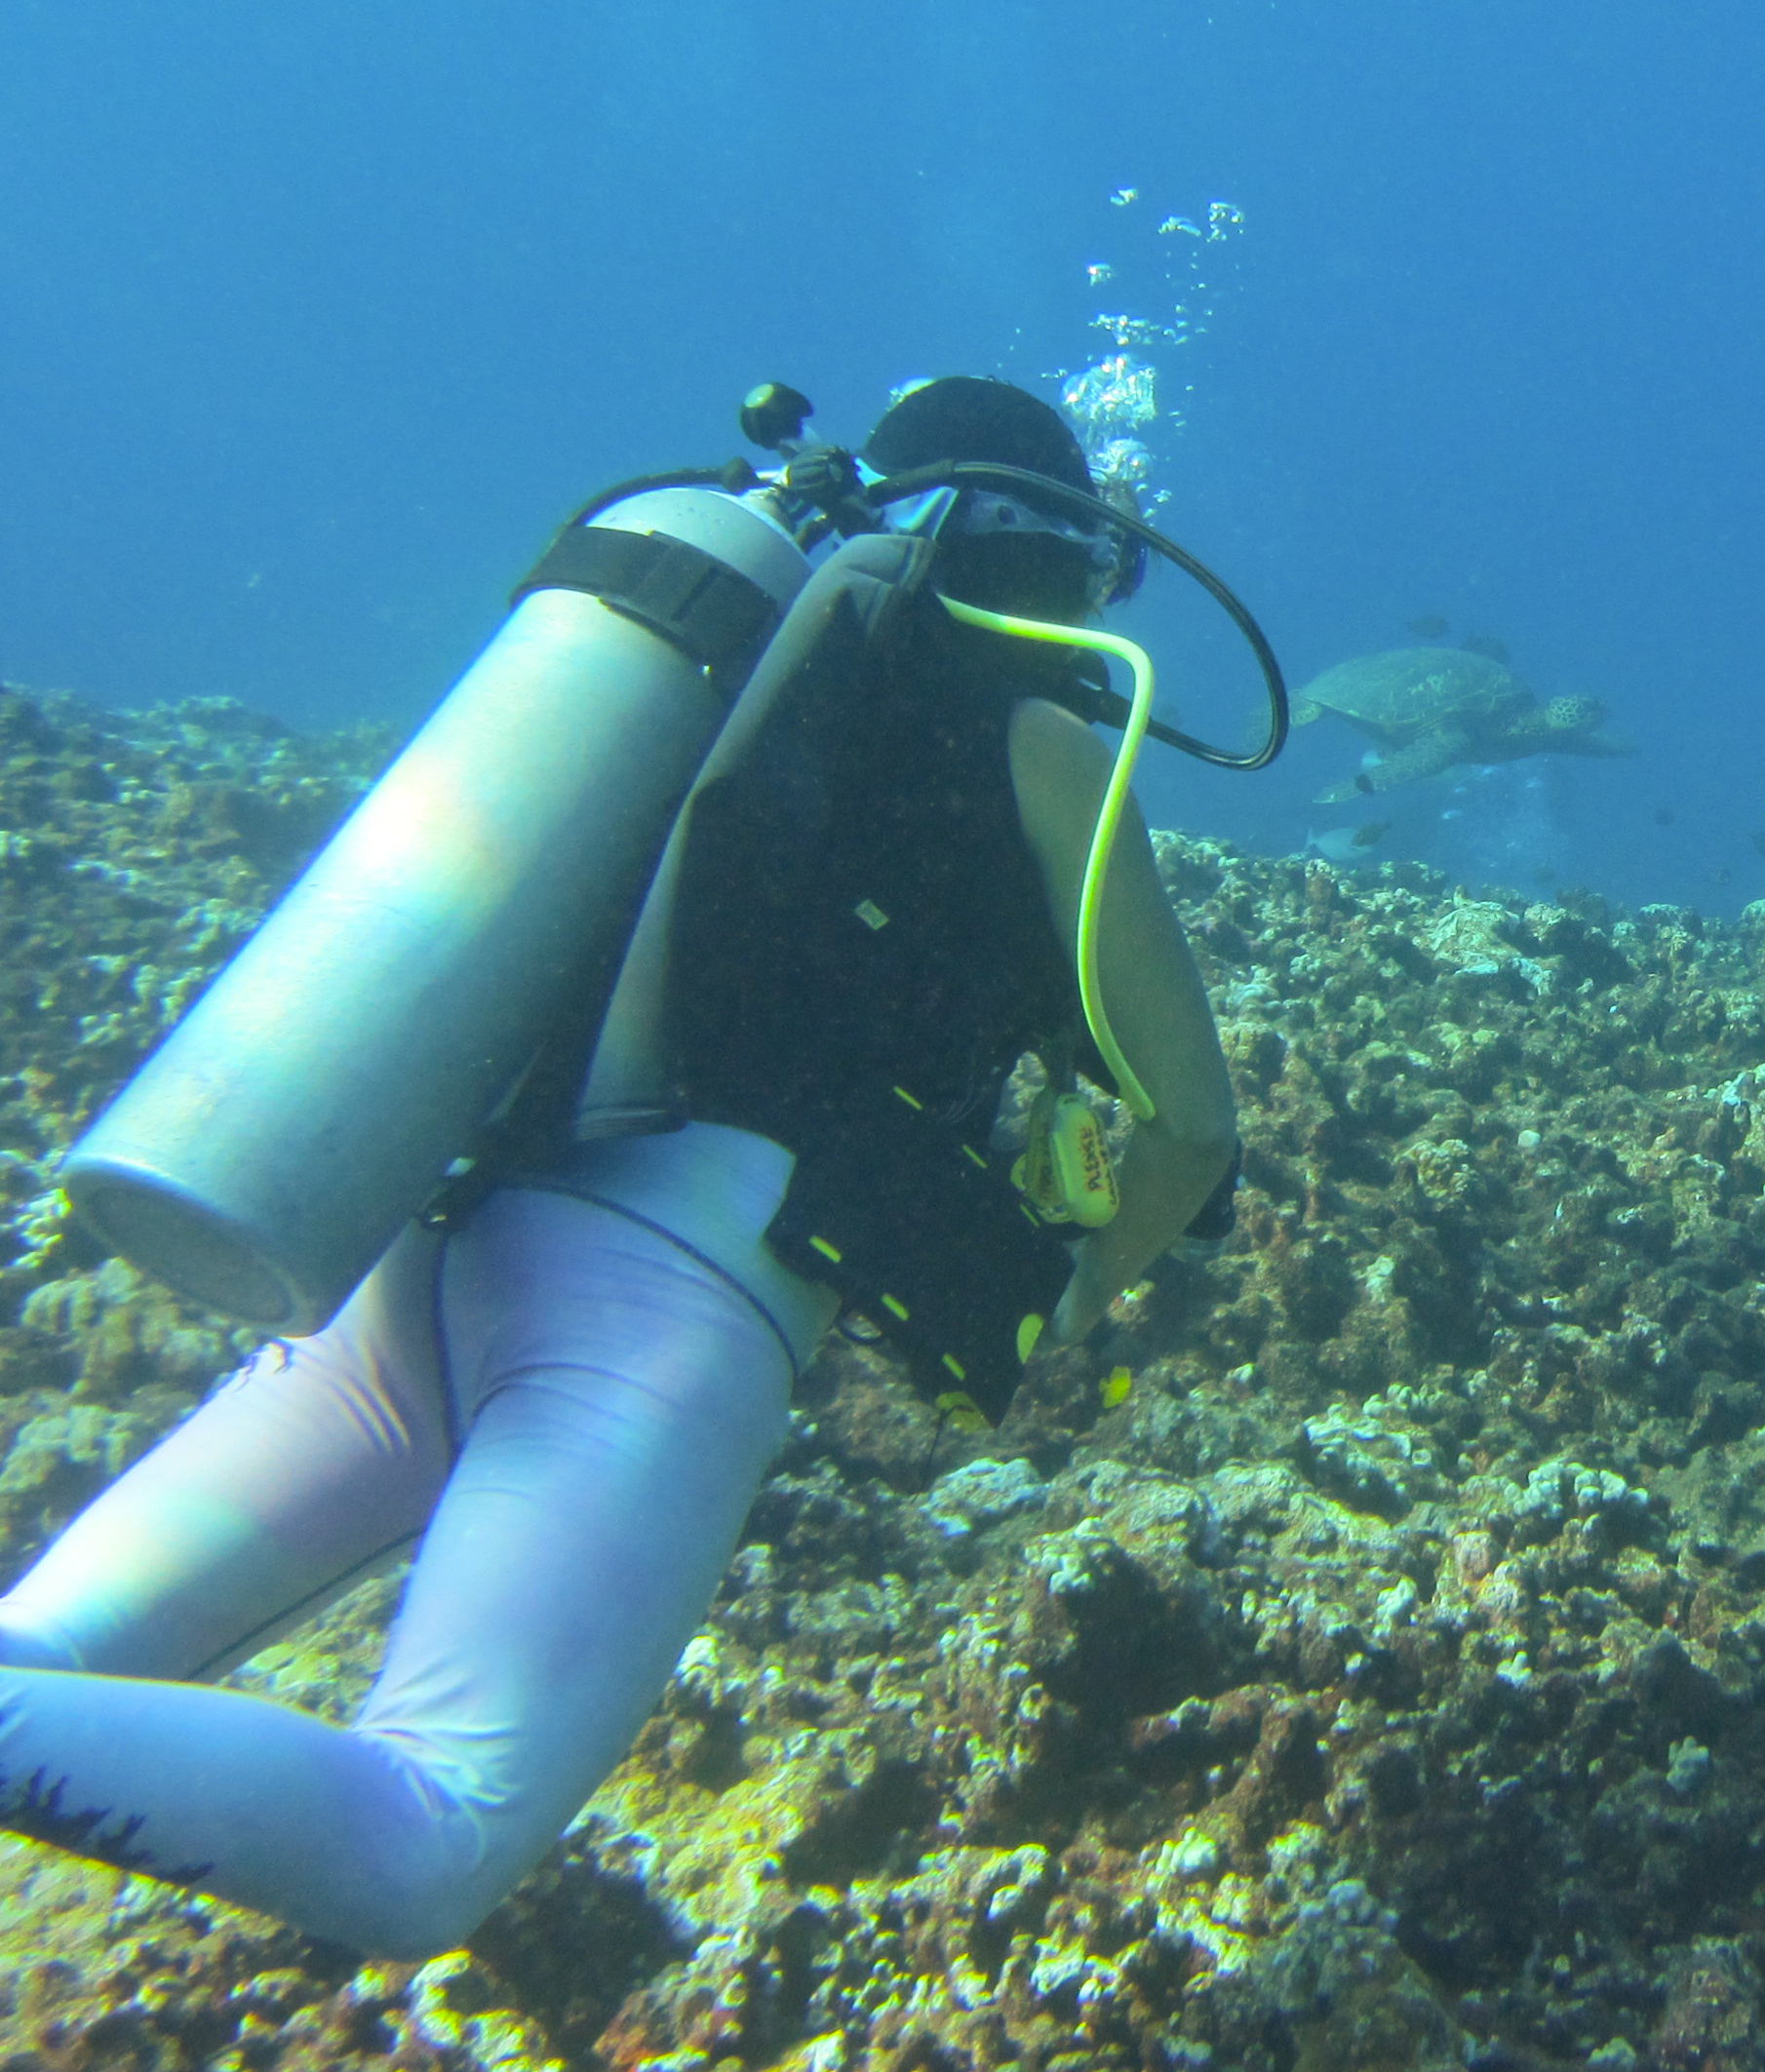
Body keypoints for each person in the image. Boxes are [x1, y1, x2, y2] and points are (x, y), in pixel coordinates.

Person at [0, 378, 1238, 1960]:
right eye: (1092, 575)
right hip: (658, 1316)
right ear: (1055, 556)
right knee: (423, 1835)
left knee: (46, 1646)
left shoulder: (704, 662)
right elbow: (1193, 1130)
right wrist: (1071, 1294)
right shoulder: (1045, 735)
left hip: (418, 1245)